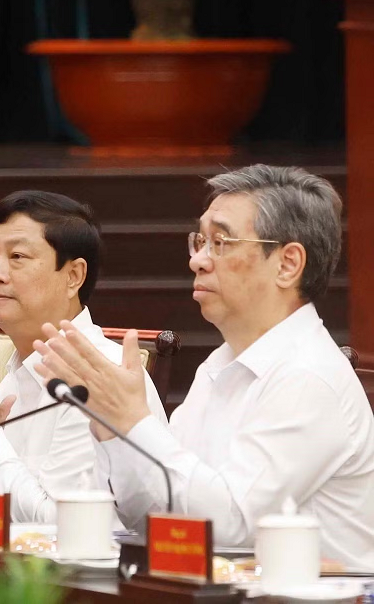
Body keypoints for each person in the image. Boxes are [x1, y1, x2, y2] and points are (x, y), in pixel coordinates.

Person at [35, 165, 374, 569]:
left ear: (287, 264)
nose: (198, 260)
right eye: (199, 241)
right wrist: (111, 428)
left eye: (220, 242)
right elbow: (155, 517)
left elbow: (229, 528)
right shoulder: (219, 365)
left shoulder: (308, 376)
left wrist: (134, 420)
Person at [0, 190, 166, 522]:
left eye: (17, 256)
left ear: (73, 276)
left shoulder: (98, 378)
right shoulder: (10, 375)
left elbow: (64, 526)